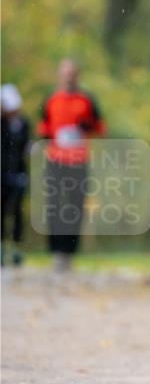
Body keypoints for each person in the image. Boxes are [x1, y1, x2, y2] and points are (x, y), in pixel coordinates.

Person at [37, 59, 106, 272]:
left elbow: (101, 127)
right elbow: (42, 127)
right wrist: (49, 136)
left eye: (72, 73)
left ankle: (69, 254)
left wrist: (88, 126)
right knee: (55, 206)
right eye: (65, 73)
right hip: (56, 160)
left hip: (78, 160)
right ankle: (56, 252)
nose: (68, 77)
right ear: (60, 75)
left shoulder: (87, 100)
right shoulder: (51, 100)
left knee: (75, 207)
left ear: (77, 75)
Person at [1, 84, 31, 266]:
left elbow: (25, 148)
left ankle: (17, 247)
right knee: (2, 211)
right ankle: (2, 248)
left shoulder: (24, 123)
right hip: (2, 173)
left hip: (19, 173)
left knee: (17, 211)